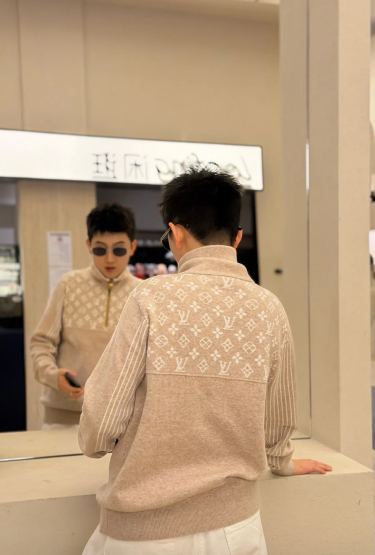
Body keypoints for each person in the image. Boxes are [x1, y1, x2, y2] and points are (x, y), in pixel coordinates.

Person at [79, 166, 332, 555]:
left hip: (144, 532)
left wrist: (95, 444)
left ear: (176, 233)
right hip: (238, 530)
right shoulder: (270, 308)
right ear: (237, 237)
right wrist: (282, 462)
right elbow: (278, 419)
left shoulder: (149, 298)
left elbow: (102, 419)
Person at [30, 203, 141, 428]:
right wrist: (53, 376)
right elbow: (41, 343)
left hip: (118, 419)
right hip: (62, 414)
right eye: (100, 250)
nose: (109, 259)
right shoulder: (68, 285)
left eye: (118, 250)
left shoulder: (142, 294)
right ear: (89, 246)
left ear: (132, 247)